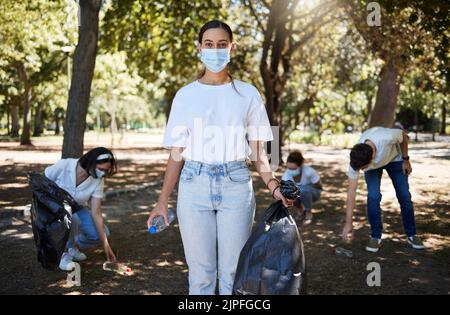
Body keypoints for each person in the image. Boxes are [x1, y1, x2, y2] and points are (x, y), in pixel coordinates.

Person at [147, 20, 293, 295]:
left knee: (232, 274)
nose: (215, 50)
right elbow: (177, 153)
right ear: (199, 48)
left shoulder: (249, 94)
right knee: (200, 276)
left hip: (236, 184)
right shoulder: (185, 96)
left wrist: (274, 187)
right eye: (209, 44)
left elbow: (260, 153)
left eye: (222, 45)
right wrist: (162, 202)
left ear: (232, 48)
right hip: (193, 184)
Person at [341, 127, 425, 252]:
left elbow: (404, 137)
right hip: (374, 164)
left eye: (364, 168)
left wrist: (406, 160)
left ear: (374, 157)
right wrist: (348, 222)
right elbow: (351, 192)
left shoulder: (387, 137)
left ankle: (412, 235)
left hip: (394, 158)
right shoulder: (357, 159)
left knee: (404, 196)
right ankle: (375, 237)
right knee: (373, 197)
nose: (362, 170)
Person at [44, 147, 118, 270]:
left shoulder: (98, 180)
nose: (103, 174)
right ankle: (62, 253)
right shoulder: (65, 165)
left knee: (100, 234)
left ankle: (72, 245)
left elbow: (96, 212)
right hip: (55, 208)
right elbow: (42, 182)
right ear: (91, 163)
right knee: (70, 217)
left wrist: (105, 245)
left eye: (106, 171)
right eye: (101, 169)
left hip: (77, 207)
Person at [282, 151, 322, 225]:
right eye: (289, 168)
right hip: (298, 195)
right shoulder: (286, 175)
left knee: (303, 190)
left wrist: (308, 188)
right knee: (289, 192)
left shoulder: (309, 172)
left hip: (314, 193)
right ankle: (301, 209)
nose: (291, 171)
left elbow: (319, 186)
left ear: (300, 166)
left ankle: (308, 212)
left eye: (293, 169)